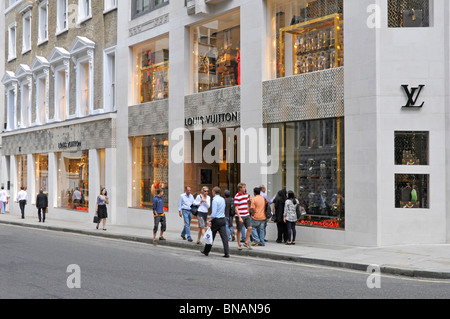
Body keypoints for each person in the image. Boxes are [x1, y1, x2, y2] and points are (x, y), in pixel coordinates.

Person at [201, 187, 230, 258]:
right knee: (224, 237)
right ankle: (227, 252)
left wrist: (210, 220)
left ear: (214, 192)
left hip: (216, 220)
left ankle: (206, 251)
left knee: (211, 235)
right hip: (223, 219)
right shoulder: (223, 199)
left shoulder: (214, 200)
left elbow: (214, 212)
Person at [234, 183, 252, 250]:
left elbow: (247, 203)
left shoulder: (246, 195)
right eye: (243, 187)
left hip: (246, 214)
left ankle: (246, 242)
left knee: (249, 227)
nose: (245, 188)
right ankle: (239, 244)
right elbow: (236, 207)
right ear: (240, 188)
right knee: (239, 230)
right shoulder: (237, 196)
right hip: (240, 215)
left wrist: (248, 211)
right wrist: (239, 217)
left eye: (245, 187)